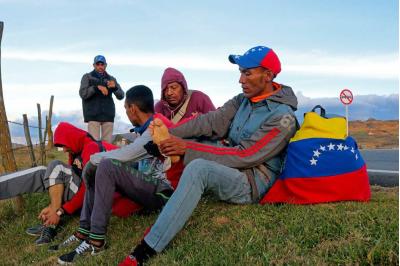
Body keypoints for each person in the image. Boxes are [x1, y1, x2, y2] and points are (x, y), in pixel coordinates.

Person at [119, 46, 299, 265]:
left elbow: (246, 155)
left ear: (268, 75)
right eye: (240, 72)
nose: (240, 79)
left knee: (198, 168)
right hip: (232, 166)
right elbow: (209, 122)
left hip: (252, 180)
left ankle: (145, 250)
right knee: (198, 141)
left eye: (247, 73)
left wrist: (185, 148)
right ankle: (171, 203)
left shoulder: (283, 118)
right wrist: (168, 135)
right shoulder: (242, 100)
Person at [56, 85, 176, 265]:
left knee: (104, 165)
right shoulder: (145, 128)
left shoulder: (156, 126)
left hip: (164, 192)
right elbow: (136, 159)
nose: (127, 113)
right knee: (100, 167)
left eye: (126, 109)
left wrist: (92, 161)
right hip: (150, 186)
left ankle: (96, 240)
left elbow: (126, 155)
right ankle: (84, 229)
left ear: (132, 108)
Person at [0, 122, 127, 245]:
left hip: (103, 199)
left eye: (64, 145)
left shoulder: (92, 147)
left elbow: (87, 189)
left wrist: (59, 211)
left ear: (72, 138)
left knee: (56, 166)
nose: (64, 149)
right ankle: (51, 218)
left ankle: (52, 224)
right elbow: (67, 182)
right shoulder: (76, 151)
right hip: (91, 198)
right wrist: (53, 205)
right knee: (42, 172)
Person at [79, 55, 125, 143]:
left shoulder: (111, 79)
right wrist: (96, 88)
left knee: (107, 145)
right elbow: (83, 94)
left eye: (102, 64)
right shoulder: (87, 77)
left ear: (105, 65)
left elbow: (121, 95)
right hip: (93, 116)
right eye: (98, 64)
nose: (100, 66)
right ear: (94, 65)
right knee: (93, 144)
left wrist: (115, 87)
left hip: (108, 115)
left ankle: (106, 157)